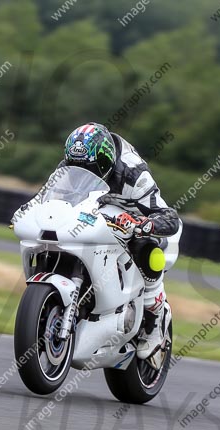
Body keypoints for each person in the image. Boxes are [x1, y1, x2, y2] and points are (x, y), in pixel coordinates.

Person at [60, 122, 181, 364]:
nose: (87, 174)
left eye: (93, 169)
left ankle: (154, 325)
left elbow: (169, 216)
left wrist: (146, 225)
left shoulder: (132, 174)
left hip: (137, 216)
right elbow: (53, 197)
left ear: (106, 161)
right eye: (80, 168)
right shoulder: (70, 166)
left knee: (146, 248)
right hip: (97, 213)